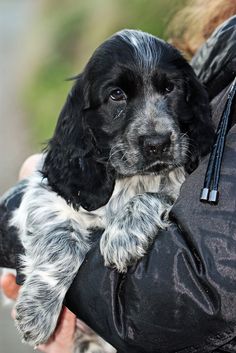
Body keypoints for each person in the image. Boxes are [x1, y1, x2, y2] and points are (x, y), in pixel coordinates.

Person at [1, 1, 236, 352]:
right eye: (116, 95)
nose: (155, 132)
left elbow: (200, 286)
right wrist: (51, 272)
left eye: (167, 90)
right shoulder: (222, 43)